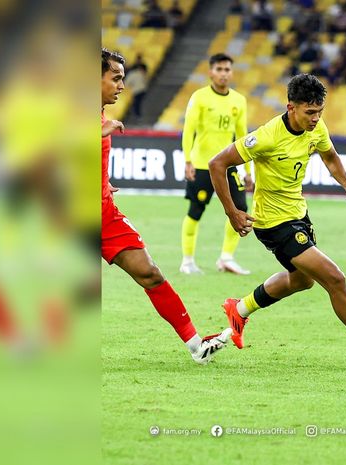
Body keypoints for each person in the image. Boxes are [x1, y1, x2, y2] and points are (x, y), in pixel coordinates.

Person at [208, 74, 346, 370]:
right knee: (335, 279)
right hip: (273, 223)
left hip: (299, 216)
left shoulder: (315, 128)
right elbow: (217, 163)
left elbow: (330, 156)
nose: (315, 118)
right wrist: (232, 211)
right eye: (309, 112)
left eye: (319, 112)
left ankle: (239, 309)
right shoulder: (266, 136)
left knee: (302, 280)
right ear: (290, 107)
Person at [101, 48, 231, 364]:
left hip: (104, 214)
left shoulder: (101, 117)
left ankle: (197, 346)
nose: (122, 85)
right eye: (116, 78)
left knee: (151, 274)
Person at [180, 53, 252, 275]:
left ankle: (226, 258)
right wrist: (187, 161)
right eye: (219, 69)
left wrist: (247, 170)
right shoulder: (199, 97)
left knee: (240, 209)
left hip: (227, 166)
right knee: (196, 210)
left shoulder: (239, 101)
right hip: (202, 165)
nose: (223, 73)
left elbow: (242, 137)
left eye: (227, 69)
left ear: (232, 72)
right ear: (211, 72)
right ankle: (188, 261)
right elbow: (188, 130)